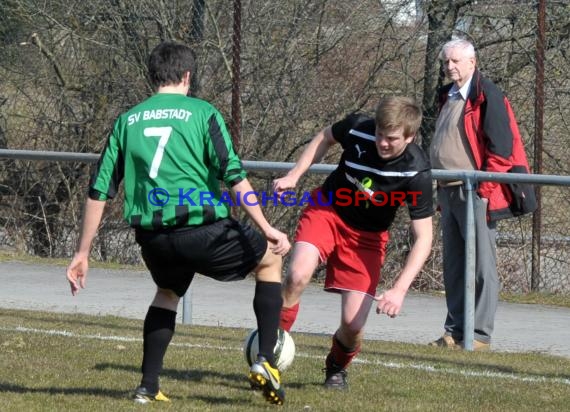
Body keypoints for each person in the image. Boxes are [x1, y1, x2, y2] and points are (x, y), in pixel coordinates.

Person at [66, 41, 290, 406]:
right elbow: (234, 175)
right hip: (203, 230)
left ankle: (147, 386)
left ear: (152, 76)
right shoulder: (203, 113)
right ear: (188, 76)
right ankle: (266, 360)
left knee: (168, 293)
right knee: (270, 260)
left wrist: (82, 252)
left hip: (153, 238)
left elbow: (99, 191)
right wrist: (266, 227)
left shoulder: (126, 120)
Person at [274, 96, 434, 389]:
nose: (382, 143)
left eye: (392, 139)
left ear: (410, 137)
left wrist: (399, 290)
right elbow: (325, 137)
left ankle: (335, 368)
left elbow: (424, 237)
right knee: (297, 275)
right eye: (380, 134)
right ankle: (269, 353)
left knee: (353, 325)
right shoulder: (359, 127)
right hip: (327, 210)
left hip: (367, 238)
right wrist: (294, 175)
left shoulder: (416, 170)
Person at [428, 38, 526, 351]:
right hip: (448, 191)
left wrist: (483, 190)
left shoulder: (488, 95)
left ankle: (479, 335)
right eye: (446, 62)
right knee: (454, 266)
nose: (450, 67)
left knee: (483, 267)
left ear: (473, 62)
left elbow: (501, 150)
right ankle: (454, 331)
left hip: (476, 192)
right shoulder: (446, 95)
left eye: (456, 61)